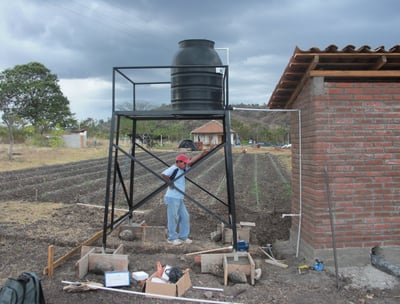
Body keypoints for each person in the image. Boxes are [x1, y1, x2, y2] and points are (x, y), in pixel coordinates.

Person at [161, 151, 207, 245]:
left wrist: (202, 154)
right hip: (172, 197)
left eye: (185, 163)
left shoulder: (183, 169)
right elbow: (164, 174)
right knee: (173, 217)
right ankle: (172, 238)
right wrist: (170, 183)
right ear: (178, 162)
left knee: (185, 216)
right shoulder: (174, 168)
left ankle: (183, 237)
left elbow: (191, 162)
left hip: (179, 198)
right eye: (183, 162)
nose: (185, 164)